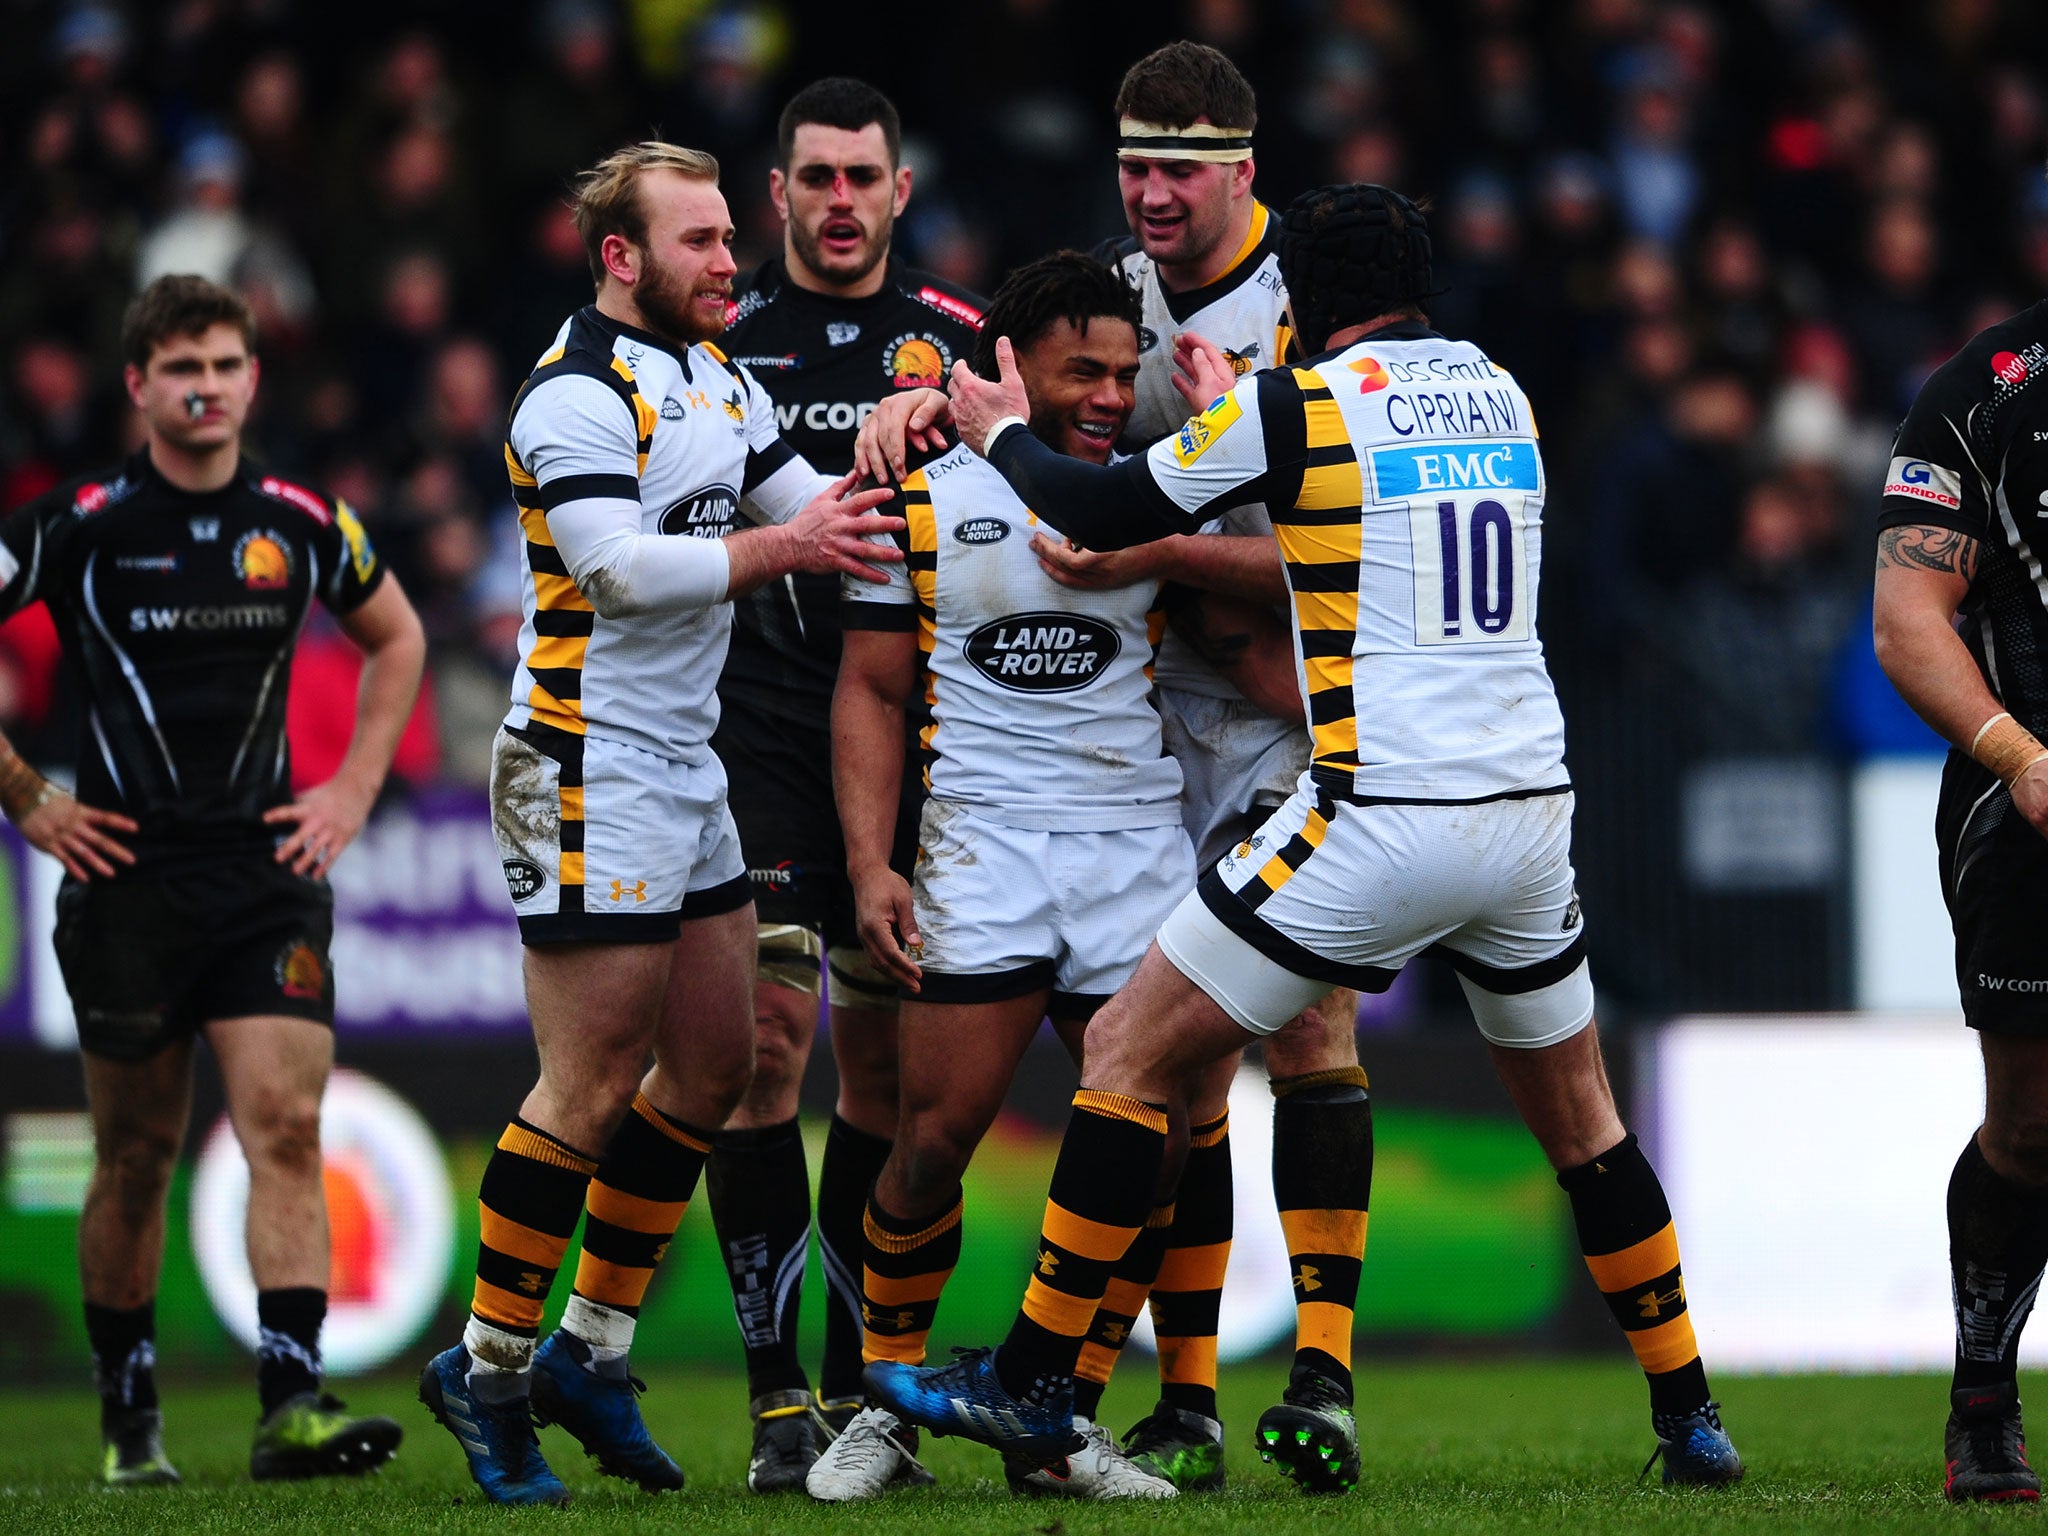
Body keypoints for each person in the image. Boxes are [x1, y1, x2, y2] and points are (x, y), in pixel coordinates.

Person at [859, 184, 1746, 1491]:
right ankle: (1690, 1416)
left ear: (1308, 309)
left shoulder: (1296, 408)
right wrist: (1244, 395)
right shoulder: (1506, 397)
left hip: (1378, 814)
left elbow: (1100, 514)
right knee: (1586, 1127)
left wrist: (999, 430)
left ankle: (1036, 1380)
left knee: (1125, 1049)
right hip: (1529, 818)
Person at [855, 43, 1375, 1494]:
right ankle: (1176, 1403)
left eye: (1179, 169)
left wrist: (1148, 549)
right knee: (1164, 1078)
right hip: (1134, 721)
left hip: (1269, 706)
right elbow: (992, 367)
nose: (1149, 191)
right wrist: (909, 396)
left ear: (1243, 172)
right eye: (1134, 163)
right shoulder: (1111, 295)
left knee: (1302, 1038)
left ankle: (1313, 1379)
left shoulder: (1303, 321)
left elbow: (1319, 553)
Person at [414, 141, 901, 1507]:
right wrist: (787, 552)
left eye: (729, 240)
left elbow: (814, 508)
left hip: (683, 766)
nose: (730, 262)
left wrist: (929, 481)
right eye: (699, 242)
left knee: (713, 1069)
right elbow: (618, 571)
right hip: (582, 763)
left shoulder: (718, 376)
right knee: (587, 1084)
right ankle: (490, 1373)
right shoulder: (571, 392)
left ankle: (588, 1350)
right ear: (621, 256)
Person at [804, 252, 1249, 1504]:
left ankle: (1055, 1417)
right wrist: (867, 866)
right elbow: (873, 687)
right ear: (1008, 370)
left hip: (1131, 849)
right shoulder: (926, 492)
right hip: (982, 849)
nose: (1111, 394)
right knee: (930, 1141)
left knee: (1154, 1147)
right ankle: (882, 1402)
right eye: (1082, 372)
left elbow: (1280, 599)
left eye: (1124, 371)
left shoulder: (1169, 486)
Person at [0, 274, 425, 1487]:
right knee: (135, 1154)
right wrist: (28, 794)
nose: (205, 387)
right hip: (123, 875)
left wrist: (349, 791)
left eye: (225, 365)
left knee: (286, 1125)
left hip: (263, 873)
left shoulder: (299, 517)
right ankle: (130, 1419)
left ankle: (290, 1405)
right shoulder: (75, 521)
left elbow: (396, 636)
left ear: (252, 377)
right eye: (180, 367)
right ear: (136, 385)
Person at [703, 77, 985, 1494]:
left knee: (881, 1073)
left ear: (898, 191)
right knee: (762, 1049)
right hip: (751, 729)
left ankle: (854, 1397)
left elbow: (1042, 475)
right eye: (814, 178)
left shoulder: (958, 344)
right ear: (777, 194)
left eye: (861, 179)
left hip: (909, 735)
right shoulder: (719, 343)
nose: (837, 202)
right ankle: (771, 1410)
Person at [1872, 297, 2048, 1504]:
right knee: (2031, 1126)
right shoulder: (1980, 393)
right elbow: (1903, 620)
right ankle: (1981, 1386)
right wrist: (2019, 756)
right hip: (2027, 805)